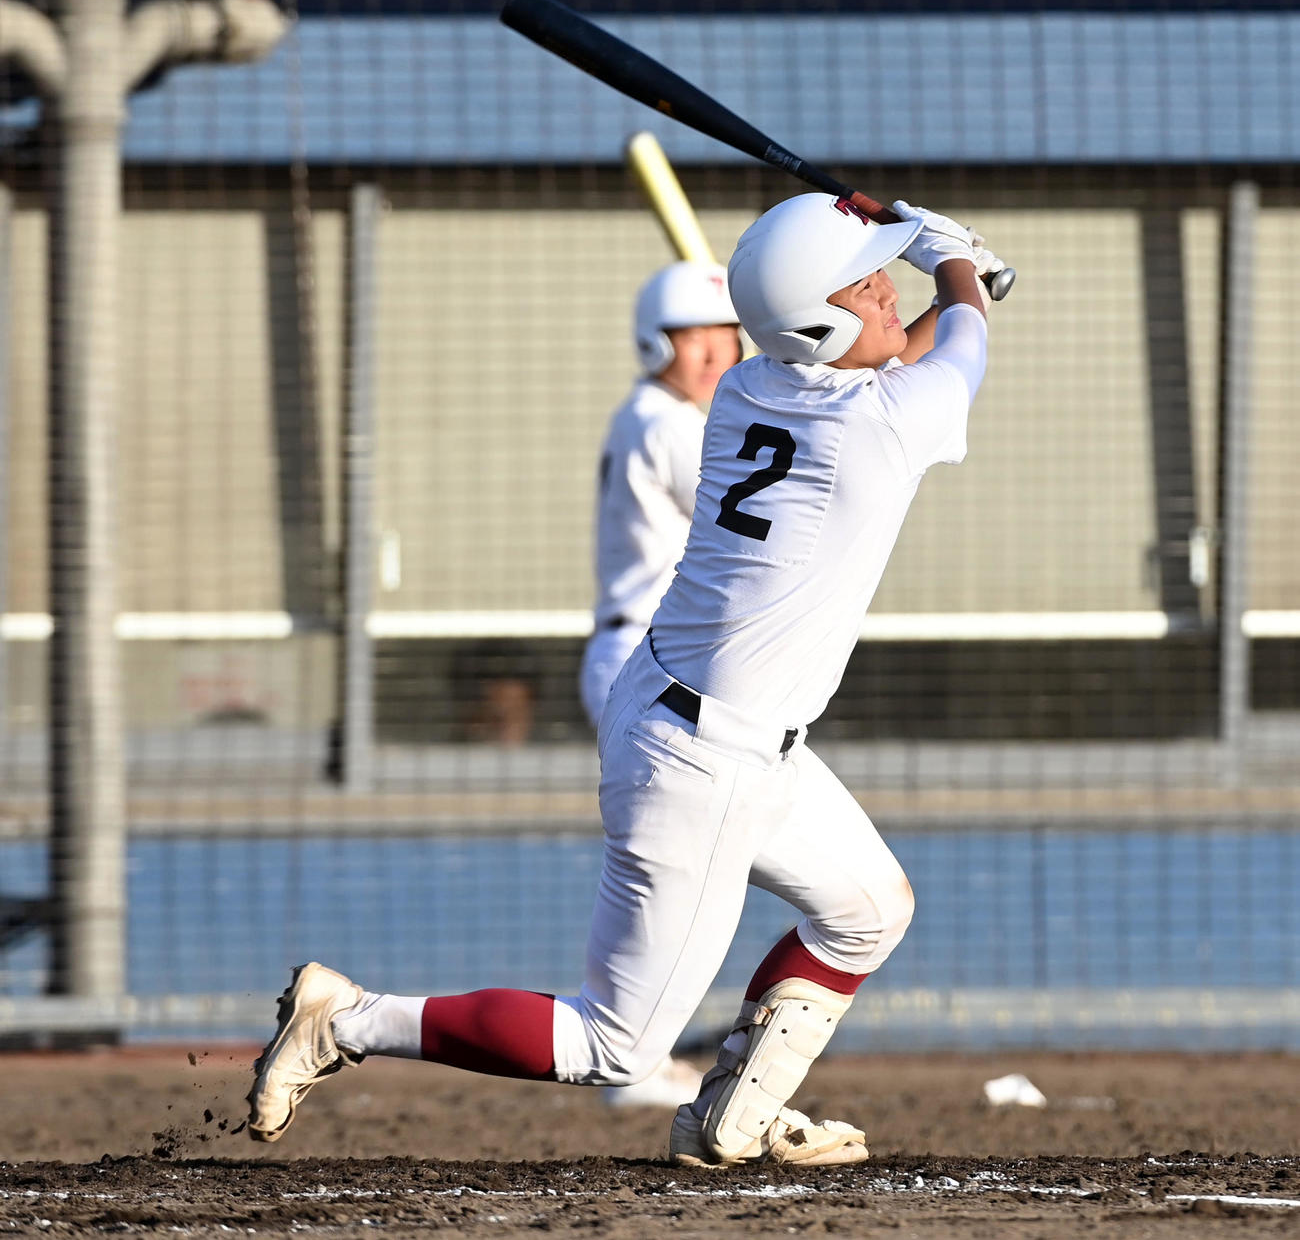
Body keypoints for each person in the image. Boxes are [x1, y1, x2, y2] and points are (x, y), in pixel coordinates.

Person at [246, 194, 1000, 1168]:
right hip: (704, 758)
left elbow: (909, 350)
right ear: (819, 322)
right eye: (867, 283)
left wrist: (948, 271)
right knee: (614, 1042)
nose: (888, 293)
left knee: (868, 909)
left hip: (725, 730)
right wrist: (963, 262)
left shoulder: (751, 385)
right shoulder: (877, 423)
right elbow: (953, 347)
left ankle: (729, 1113)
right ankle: (348, 1019)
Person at [580, 260, 741, 730]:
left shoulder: (640, 411)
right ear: (656, 342)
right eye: (694, 338)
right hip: (650, 655)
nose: (715, 355)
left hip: (639, 650)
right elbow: (747, 523)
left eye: (725, 335)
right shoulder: (671, 423)